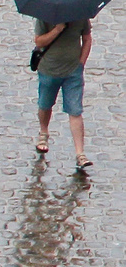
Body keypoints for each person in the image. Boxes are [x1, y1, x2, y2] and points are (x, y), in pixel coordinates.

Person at [33, 17, 92, 168]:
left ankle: (80, 154)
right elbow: (39, 42)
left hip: (73, 72)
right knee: (45, 105)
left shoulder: (81, 16)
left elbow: (86, 39)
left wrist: (81, 64)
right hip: (49, 70)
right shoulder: (43, 17)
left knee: (75, 110)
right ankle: (43, 133)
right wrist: (57, 29)